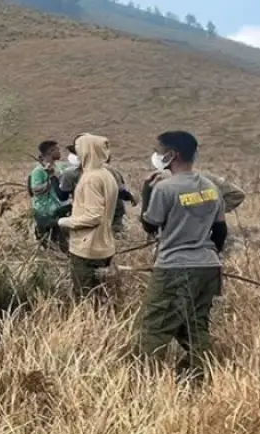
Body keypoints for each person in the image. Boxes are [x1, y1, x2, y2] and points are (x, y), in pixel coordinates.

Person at [138, 131, 227, 383]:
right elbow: (221, 230)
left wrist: (146, 191)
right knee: (195, 326)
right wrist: (206, 254)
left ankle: (144, 386)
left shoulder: (164, 189)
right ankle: (200, 379)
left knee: (155, 327)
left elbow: (150, 225)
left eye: (159, 149)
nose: (156, 154)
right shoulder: (211, 187)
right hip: (209, 266)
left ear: (172, 155)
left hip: (174, 268)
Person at [56, 134, 119, 302]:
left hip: (87, 248)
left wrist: (65, 222)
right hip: (104, 245)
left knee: (85, 297)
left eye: (79, 149)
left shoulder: (91, 179)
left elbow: (93, 216)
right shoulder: (106, 174)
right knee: (102, 295)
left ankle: (89, 325)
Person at [29, 140, 69, 250]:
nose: (60, 152)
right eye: (57, 149)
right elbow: (35, 189)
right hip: (44, 212)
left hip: (59, 210)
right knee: (48, 244)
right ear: (51, 151)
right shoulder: (38, 171)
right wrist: (51, 180)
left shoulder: (59, 167)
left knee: (61, 243)